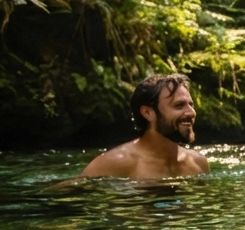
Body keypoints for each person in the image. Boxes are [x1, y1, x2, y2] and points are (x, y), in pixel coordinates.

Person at [79, 74, 209, 180]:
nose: (192, 112)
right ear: (148, 113)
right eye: (179, 105)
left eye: (191, 105)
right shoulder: (114, 163)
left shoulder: (198, 163)